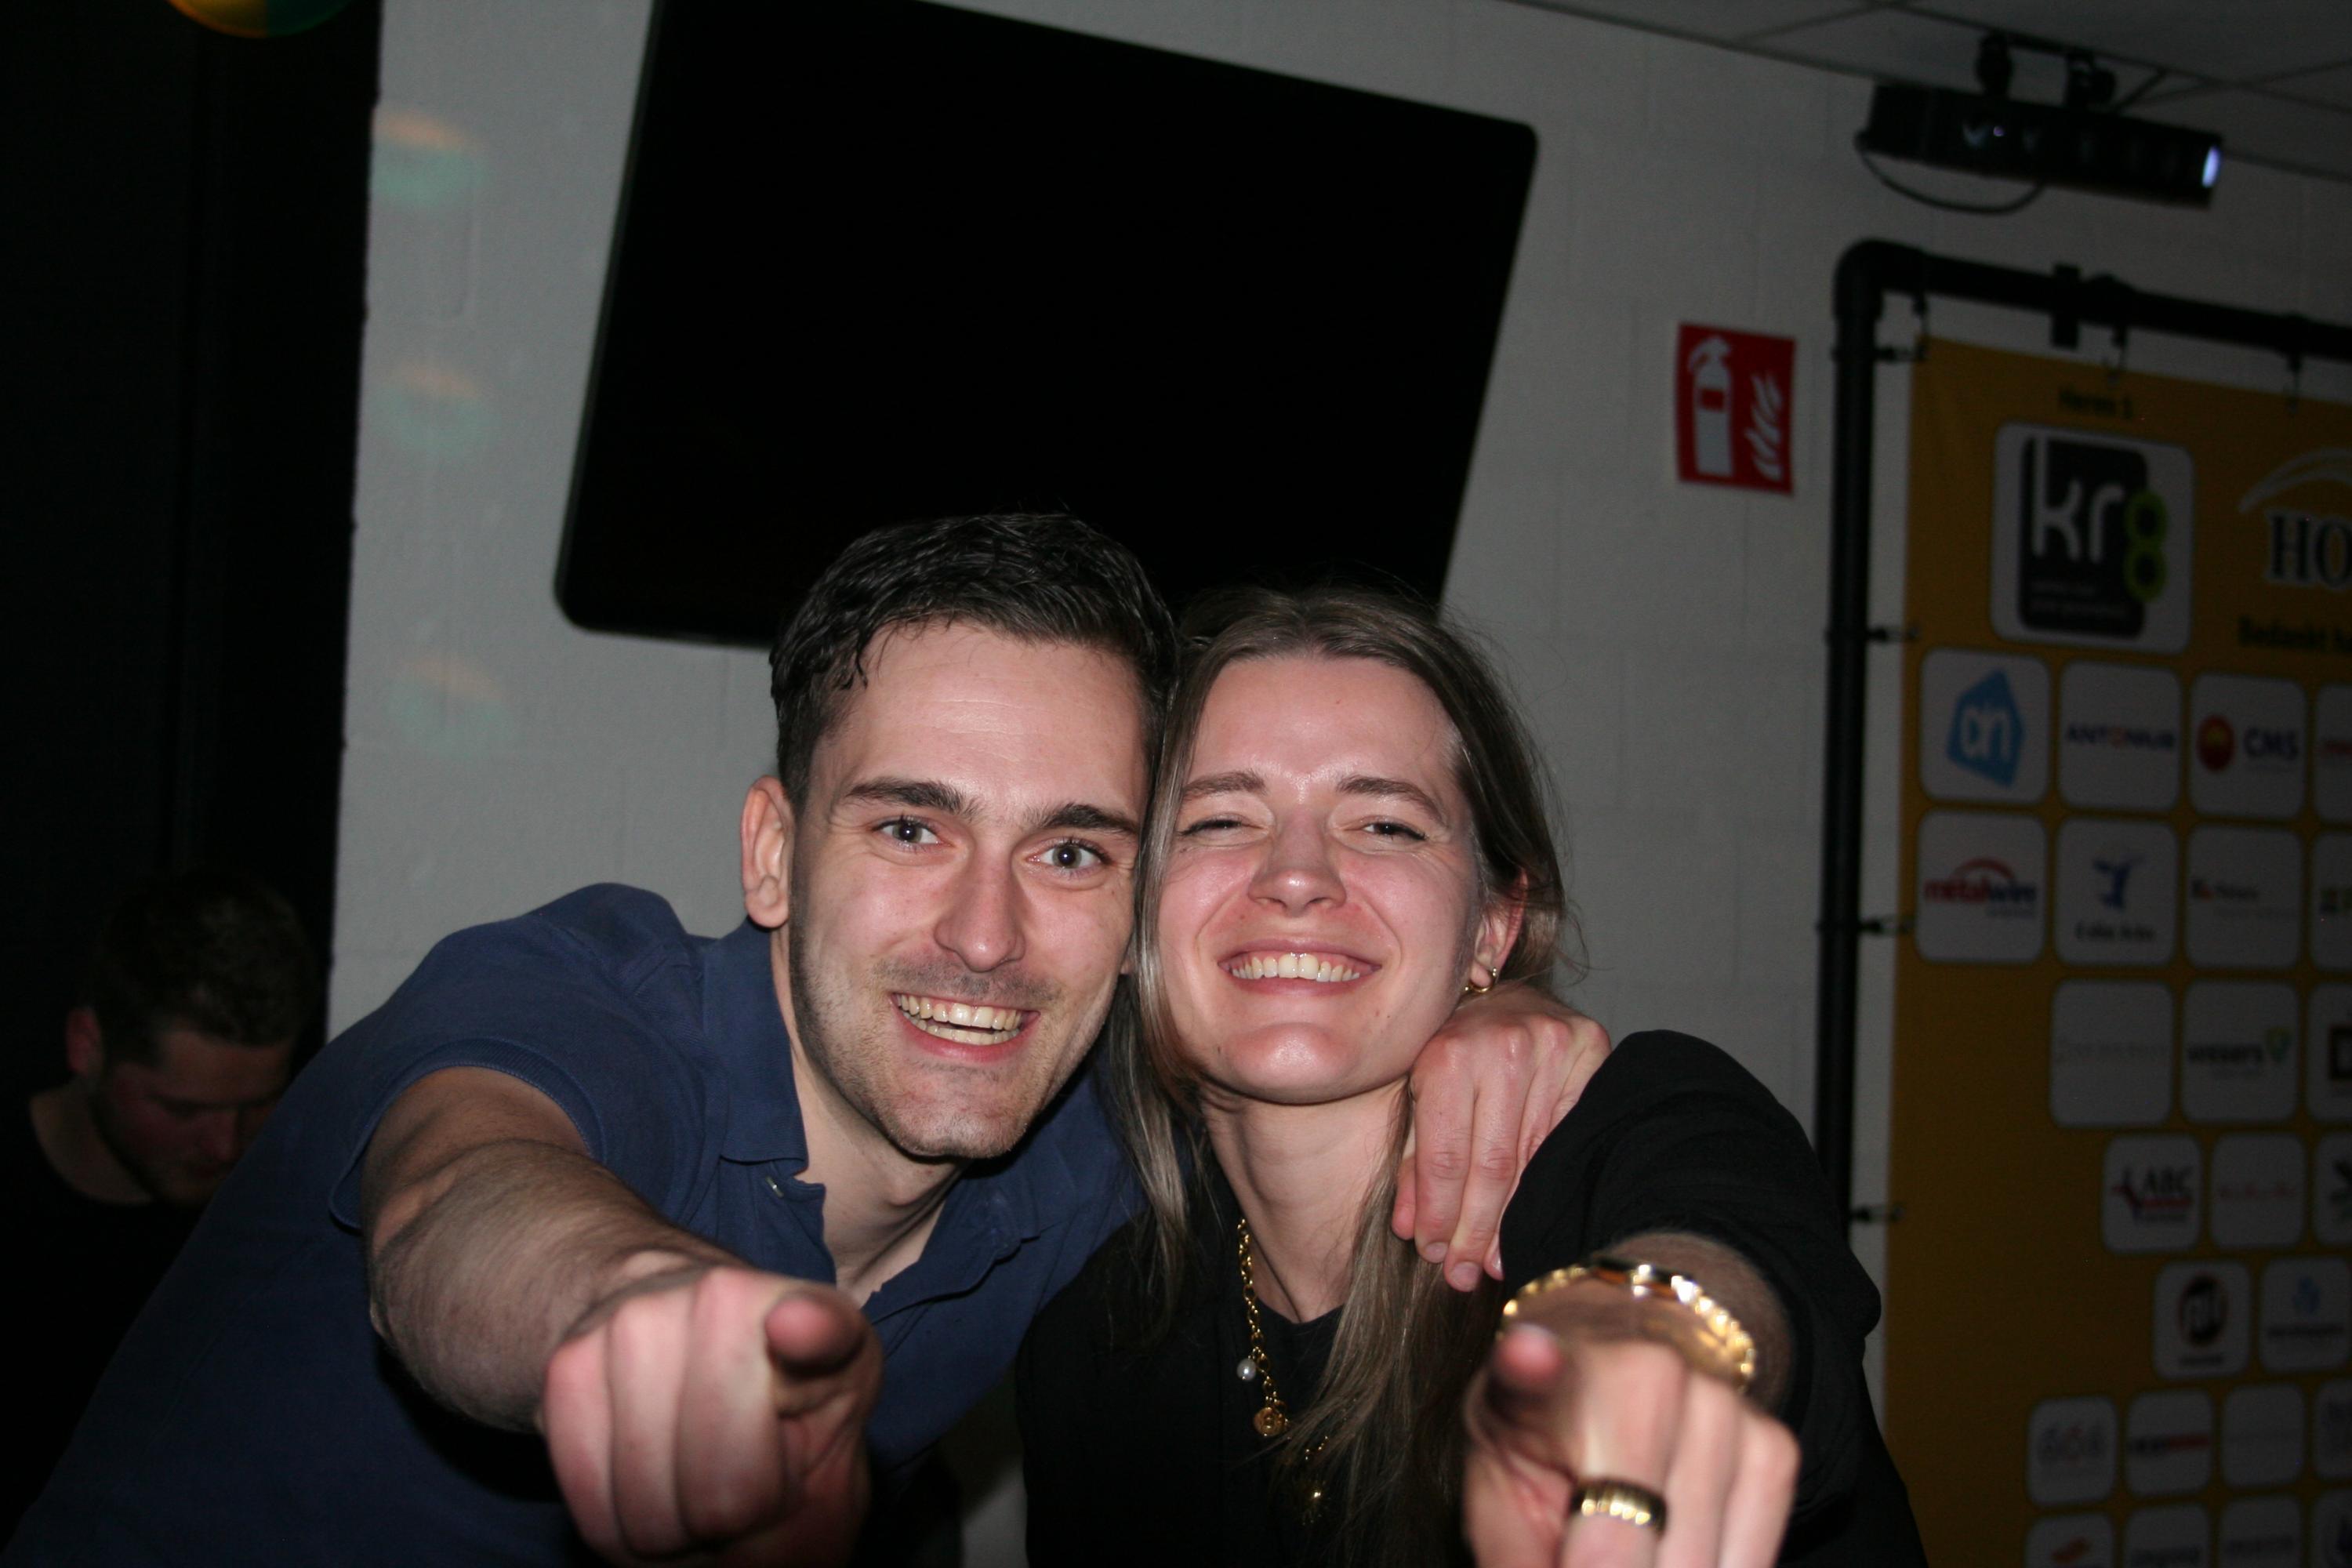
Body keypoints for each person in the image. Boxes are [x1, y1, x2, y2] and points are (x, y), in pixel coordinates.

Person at [7, 515, 1606, 1566]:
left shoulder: (1086, 1155)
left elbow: (1310, 1037)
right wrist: (638, 1308)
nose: (987, 934)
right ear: (773, 854)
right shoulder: (576, 998)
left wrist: (1494, 1006)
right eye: (912, 828)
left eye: (1070, 850)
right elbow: (459, 1199)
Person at [1018, 587, 1926, 1566]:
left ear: (1492, 926)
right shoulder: (1098, 1339)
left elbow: (1726, 1253)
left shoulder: (1629, 1123)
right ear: (1132, 914)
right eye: (1220, 819)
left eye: (1386, 824)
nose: (1295, 874)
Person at [5, 864, 317, 1536]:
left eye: (259, 1104)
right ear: (88, 1047)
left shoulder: (283, 1226)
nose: (225, 1144)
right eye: (181, 1109)